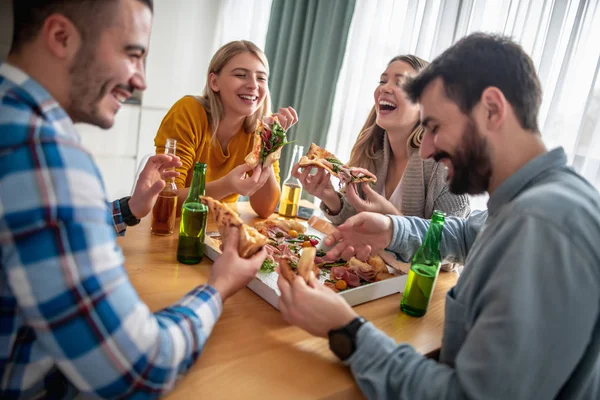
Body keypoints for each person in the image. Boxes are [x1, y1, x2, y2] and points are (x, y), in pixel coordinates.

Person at [277, 32, 600, 399]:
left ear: (492, 110)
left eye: (435, 127)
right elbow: (465, 235)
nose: (426, 149)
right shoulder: (527, 200)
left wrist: (347, 330)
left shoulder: (542, 227)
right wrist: (391, 229)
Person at [0, 0, 266, 398]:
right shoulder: (47, 158)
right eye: (132, 54)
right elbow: (142, 367)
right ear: (61, 38)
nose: (141, 80)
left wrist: (128, 209)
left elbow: (29, 232)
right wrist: (218, 288)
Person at [293, 55, 470, 224]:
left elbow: (449, 248)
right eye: (382, 81)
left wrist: (391, 219)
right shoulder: (372, 154)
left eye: (400, 83)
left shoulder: (447, 167)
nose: (384, 88)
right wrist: (331, 197)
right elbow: (357, 224)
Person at [153, 40, 298, 218]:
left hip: (219, 230)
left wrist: (270, 145)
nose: (253, 85)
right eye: (241, 75)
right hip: (174, 229)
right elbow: (166, 200)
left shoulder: (260, 132)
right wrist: (227, 185)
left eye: (261, 78)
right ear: (214, 82)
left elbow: (265, 209)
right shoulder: (188, 112)